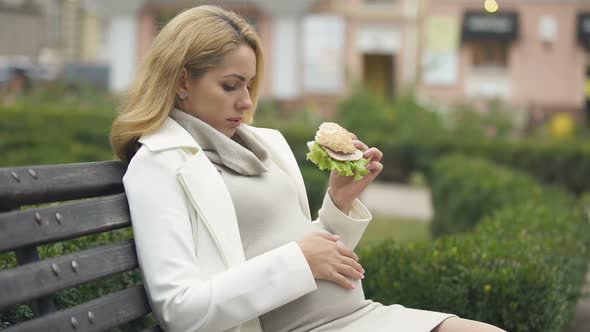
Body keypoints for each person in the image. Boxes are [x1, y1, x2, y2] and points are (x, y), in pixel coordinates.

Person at [110, 5, 505, 332]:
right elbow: (181, 310)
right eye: (230, 86)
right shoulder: (158, 165)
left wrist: (338, 205)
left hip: (357, 316)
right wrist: (299, 259)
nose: (246, 102)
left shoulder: (266, 145)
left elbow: (307, 250)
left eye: (249, 85)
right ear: (182, 81)